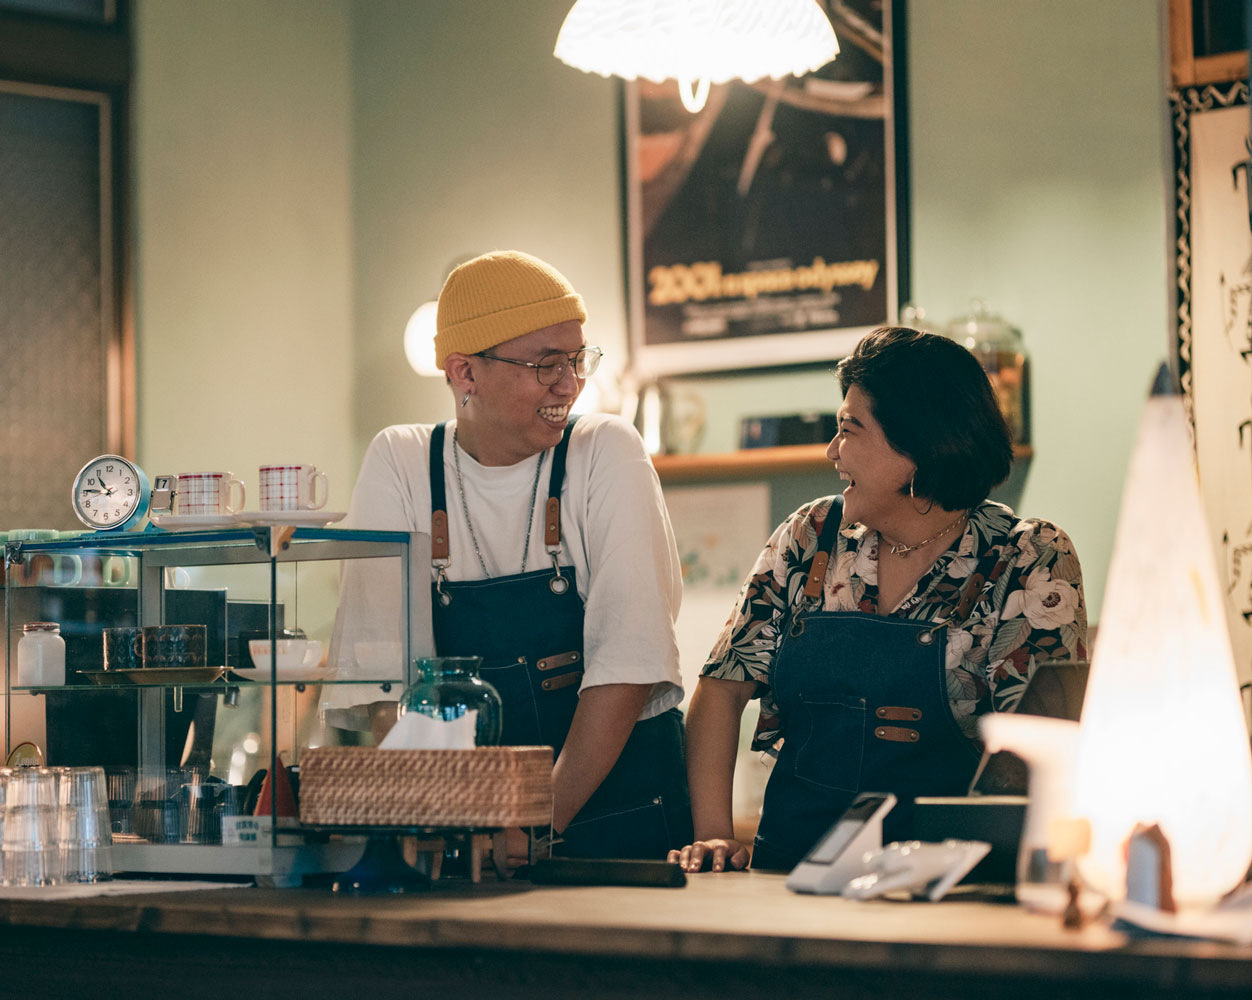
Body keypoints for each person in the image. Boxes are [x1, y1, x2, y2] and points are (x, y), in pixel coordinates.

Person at [669, 326, 1087, 873]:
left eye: (850, 429)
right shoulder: (811, 536)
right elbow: (721, 690)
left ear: (919, 446)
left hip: (952, 890)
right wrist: (715, 836)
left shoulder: (1027, 558)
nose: (832, 451)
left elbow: (1045, 752)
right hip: (792, 879)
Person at [333, 250, 692, 863]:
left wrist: (535, 826)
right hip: (470, 838)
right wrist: (444, 823)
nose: (571, 383)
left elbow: (628, 663)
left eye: (578, 359)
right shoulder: (401, 462)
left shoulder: (605, 450)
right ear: (464, 373)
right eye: (546, 364)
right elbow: (384, 679)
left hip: (620, 820)